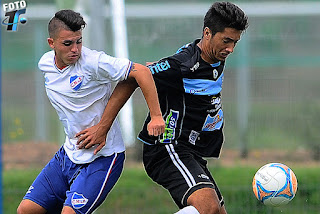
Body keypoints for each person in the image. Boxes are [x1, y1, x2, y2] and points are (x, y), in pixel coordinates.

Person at [75, 1, 248, 214]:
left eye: (235, 42)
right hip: (168, 147)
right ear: (207, 33)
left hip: (190, 150)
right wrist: (102, 128)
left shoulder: (213, 55)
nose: (230, 49)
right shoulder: (183, 65)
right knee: (208, 207)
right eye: (226, 41)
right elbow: (134, 77)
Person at [17, 9, 164, 214]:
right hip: (69, 154)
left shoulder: (93, 62)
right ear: (52, 44)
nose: (75, 49)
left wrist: (156, 116)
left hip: (103, 156)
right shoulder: (45, 64)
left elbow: (141, 72)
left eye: (79, 41)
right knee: (27, 210)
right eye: (67, 44)